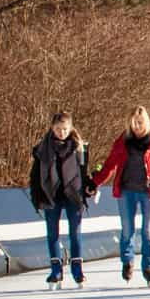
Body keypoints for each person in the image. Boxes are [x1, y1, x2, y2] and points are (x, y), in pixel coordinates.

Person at [92, 106, 150, 286]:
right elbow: (110, 165)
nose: (136, 127)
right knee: (127, 229)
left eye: (140, 123)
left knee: (148, 231)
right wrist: (95, 182)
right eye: (133, 123)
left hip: (148, 192)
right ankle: (127, 262)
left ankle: (149, 266)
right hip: (127, 190)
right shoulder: (122, 141)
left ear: (147, 123)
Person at [29, 111, 95, 289]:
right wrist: (36, 195)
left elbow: (83, 171)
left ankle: (77, 270)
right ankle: (56, 270)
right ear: (52, 128)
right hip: (51, 194)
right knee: (53, 234)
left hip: (73, 195)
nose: (61, 133)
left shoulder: (79, 147)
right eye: (58, 129)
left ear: (70, 128)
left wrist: (90, 186)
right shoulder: (43, 148)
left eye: (65, 129)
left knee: (75, 234)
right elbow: (35, 175)